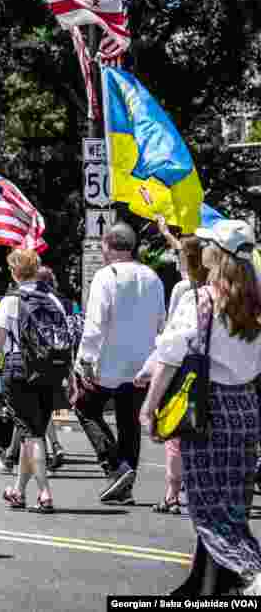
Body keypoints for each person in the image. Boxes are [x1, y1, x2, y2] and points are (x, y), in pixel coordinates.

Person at [138, 220, 261, 595]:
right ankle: (205, 586)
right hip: (246, 407)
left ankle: (252, 573)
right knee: (232, 505)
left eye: (208, 243)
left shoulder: (201, 300)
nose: (201, 247)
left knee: (210, 510)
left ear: (218, 254)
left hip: (209, 410)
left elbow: (169, 357)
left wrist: (149, 406)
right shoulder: (255, 301)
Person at [74, 222, 166, 504]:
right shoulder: (152, 277)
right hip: (141, 362)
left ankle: (115, 466)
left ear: (107, 245)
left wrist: (84, 360)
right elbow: (161, 322)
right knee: (129, 423)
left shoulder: (106, 276)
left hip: (108, 362)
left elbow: (95, 324)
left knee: (85, 408)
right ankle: (124, 486)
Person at [0, 249, 60, 513]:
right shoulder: (52, 299)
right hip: (50, 371)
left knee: (32, 435)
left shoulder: (11, 301)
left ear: (14, 273)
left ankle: (44, 493)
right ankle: (19, 491)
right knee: (29, 432)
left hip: (19, 369)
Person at [145, 219, 207, 514]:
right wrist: (167, 233)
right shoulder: (234, 293)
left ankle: (174, 493)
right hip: (223, 381)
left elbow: (171, 343)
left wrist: (149, 401)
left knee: (176, 435)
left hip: (185, 374)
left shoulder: (186, 291)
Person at [0, 266, 68, 475]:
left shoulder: (12, 300)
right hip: (51, 366)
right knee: (33, 424)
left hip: (20, 363)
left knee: (29, 428)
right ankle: (20, 477)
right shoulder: (56, 302)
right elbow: (67, 336)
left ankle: (41, 485)